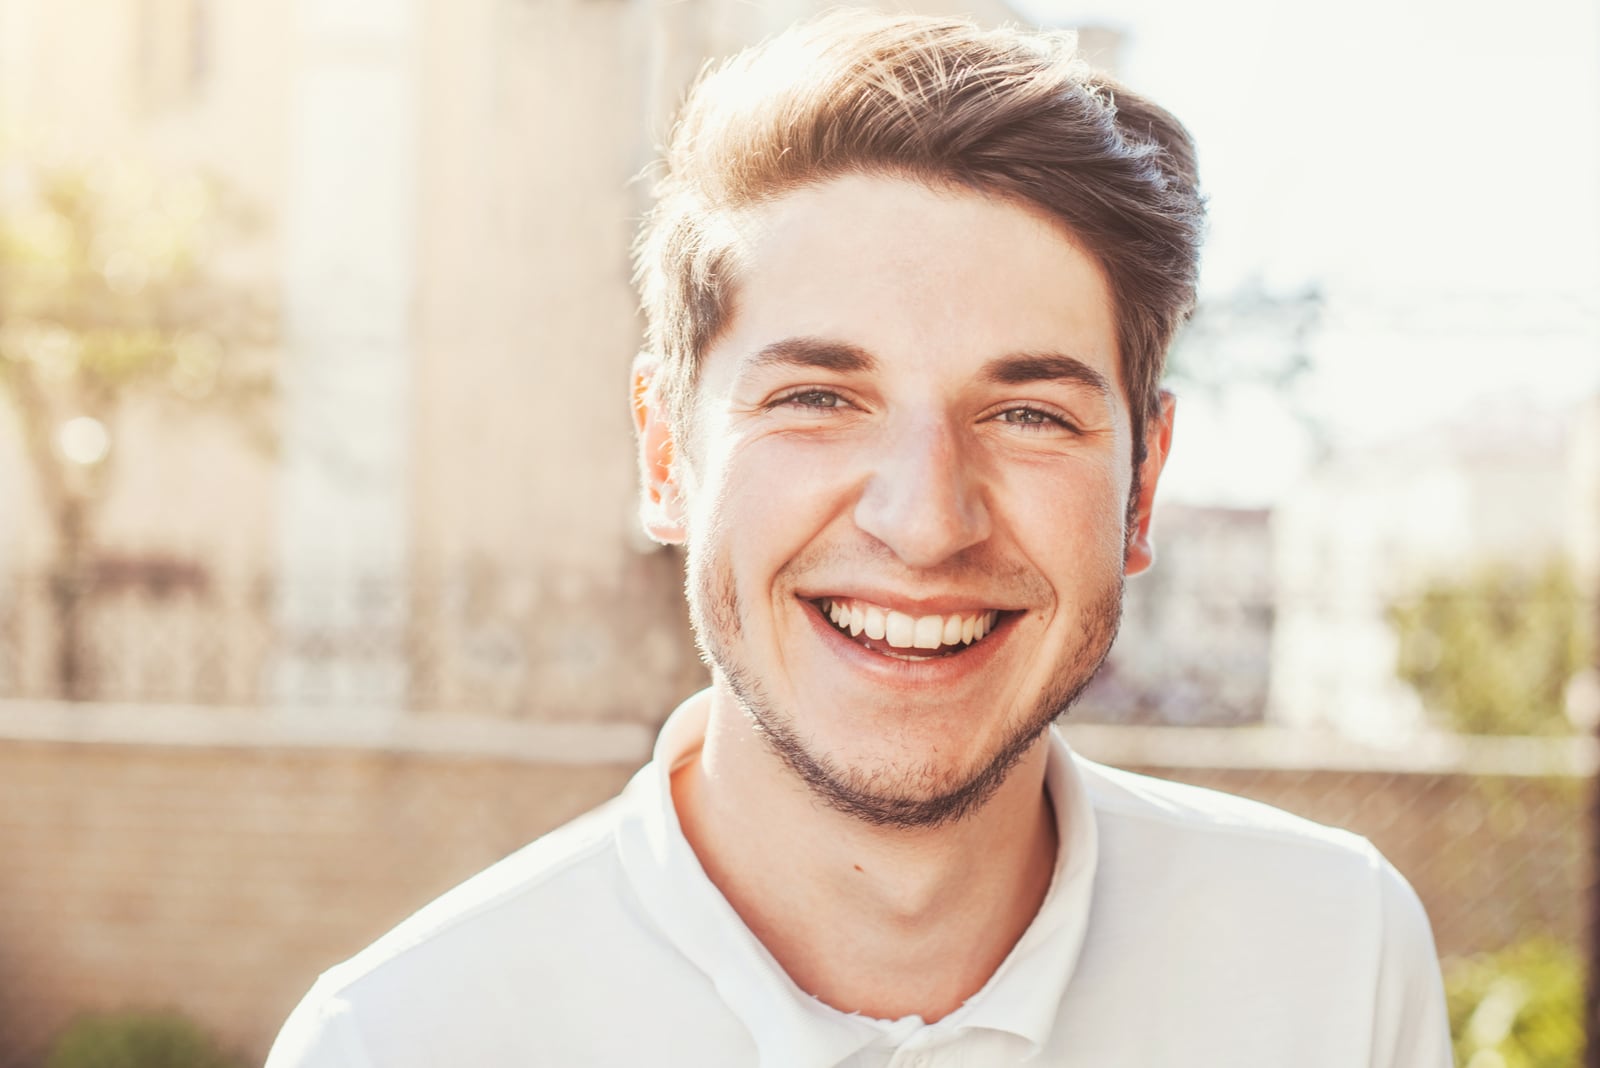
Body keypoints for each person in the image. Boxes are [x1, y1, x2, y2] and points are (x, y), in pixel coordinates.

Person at [267, 11, 1451, 1066]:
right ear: (665, 458)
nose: (925, 521)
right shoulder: (397, 1039)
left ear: (1141, 490)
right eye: (818, 400)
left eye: (1027, 415)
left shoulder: (1338, 961)